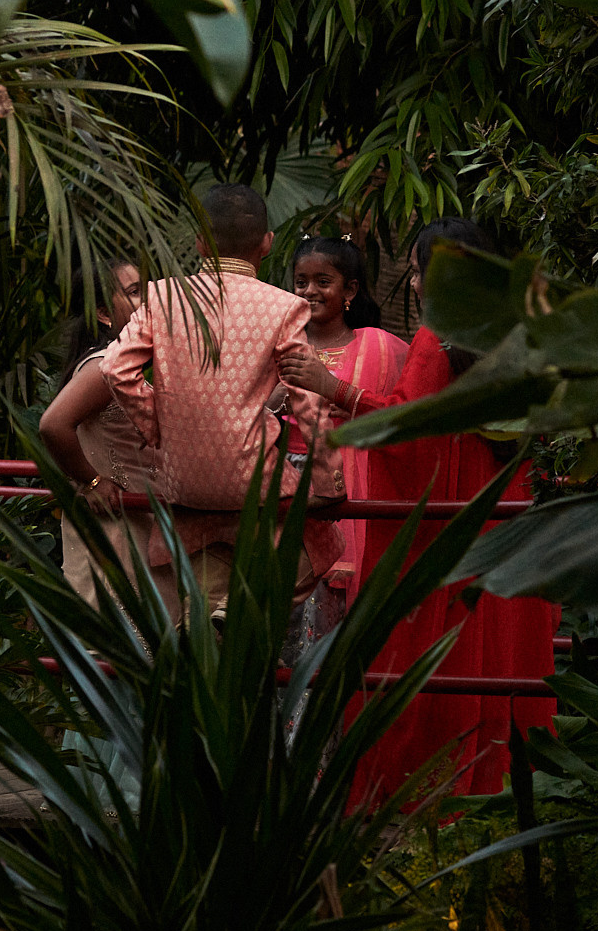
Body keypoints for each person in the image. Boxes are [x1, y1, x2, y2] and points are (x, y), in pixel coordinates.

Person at [280, 217, 560, 805]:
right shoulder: (514, 334)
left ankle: (423, 792)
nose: (411, 285)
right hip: (499, 508)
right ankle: (494, 790)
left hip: (452, 522)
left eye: (416, 270)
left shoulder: (438, 337)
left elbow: (407, 432)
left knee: (431, 659)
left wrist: (329, 390)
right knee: (488, 655)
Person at [40, 184, 337, 624]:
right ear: (267, 243)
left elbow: (118, 369)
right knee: (323, 542)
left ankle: (213, 618)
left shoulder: (161, 297)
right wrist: (330, 480)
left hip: (178, 484)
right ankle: (235, 610)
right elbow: (306, 396)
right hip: (250, 481)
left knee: (193, 581)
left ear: (199, 242)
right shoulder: (285, 307)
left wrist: (159, 428)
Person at [286, 235, 408, 604]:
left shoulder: (379, 346)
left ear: (350, 289)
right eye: (301, 282)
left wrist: (347, 398)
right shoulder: (280, 346)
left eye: (324, 282)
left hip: (352, 493)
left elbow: (398, 412)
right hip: (289, 489)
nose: (310, 291)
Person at [38, 259, 155, 611]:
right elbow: (52, 426)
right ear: (104, 314)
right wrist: (91, 482)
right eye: (134, 293)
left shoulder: (123, 364)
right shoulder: (105, 366)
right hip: (116, 529)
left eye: (144, 290)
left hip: (137, 524)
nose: (146, 302)